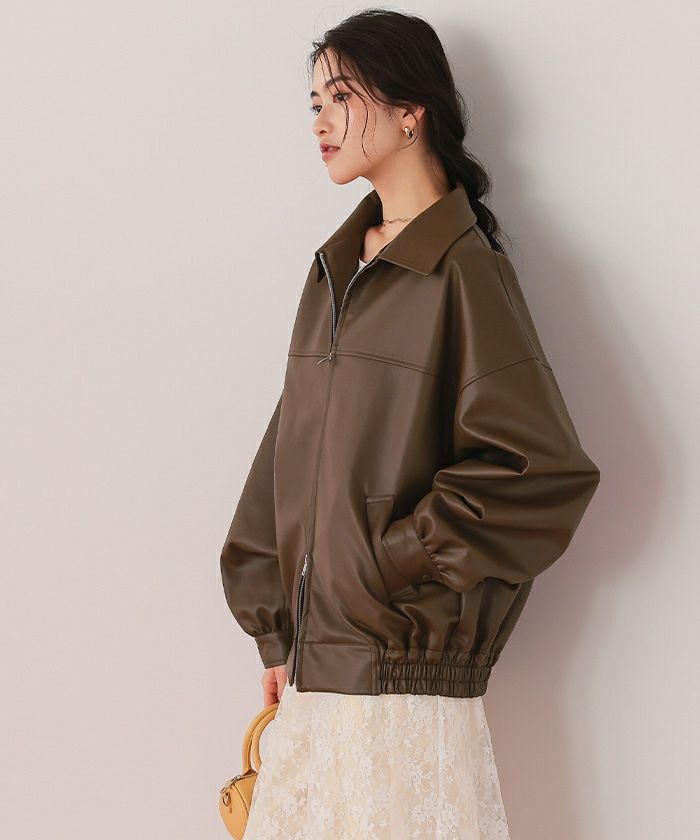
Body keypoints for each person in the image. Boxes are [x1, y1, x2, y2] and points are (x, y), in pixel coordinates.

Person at [219, 9, 601, 840]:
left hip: (400, 690)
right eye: (314, 102)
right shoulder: (335, 272)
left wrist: (388, 562)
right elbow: (287, 454)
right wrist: (278, 630)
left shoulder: (464, 272)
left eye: (341, 96)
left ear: (409, 111)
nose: (319, 120)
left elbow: (541, 469)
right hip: (317, 683)